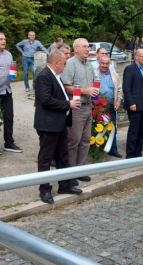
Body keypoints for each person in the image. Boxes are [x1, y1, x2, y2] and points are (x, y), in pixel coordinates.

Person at [34, 50, 83, 203]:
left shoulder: (56, 76)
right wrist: (68, 104)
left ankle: (65, 184)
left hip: (60, 122)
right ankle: (44, 189)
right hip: (48, 125)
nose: (65, 66)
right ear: (56, 63)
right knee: (46, 158)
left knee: (63, 155)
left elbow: (57, 96)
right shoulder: (43, 76)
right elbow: (46, 100)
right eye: (64, 63)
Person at [62, 38, 98, 182]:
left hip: (88, 106)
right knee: (74, 140)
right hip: (76, 107)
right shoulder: (70, 64)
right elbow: (66, 86)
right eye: (84, 47)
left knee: (85, 139)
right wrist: (85, 90)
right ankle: (70, 173)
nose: (87, 49)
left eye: (88, 46)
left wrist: (92, 94)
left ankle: (80, 169)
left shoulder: (89, 65)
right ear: (76, 49)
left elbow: (92, 85)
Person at [123, 49, 143, 158]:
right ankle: (130, 154)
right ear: (136, 57)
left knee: (142, 130)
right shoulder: (130, 69)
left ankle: (138, 152)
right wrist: (131, 102)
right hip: (135, 105)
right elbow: (126, 88)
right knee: (134, 130)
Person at [94, 55, 123, 158]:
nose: (105, 66)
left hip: (111, 105)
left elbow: (120, 90)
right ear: (99, 63)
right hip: (98, 106)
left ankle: (113, 149)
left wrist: (119, 101)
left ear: (109, 64)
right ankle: (96, 150)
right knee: (97, 127)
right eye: (103, 63)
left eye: (107, 63)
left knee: (112, 128)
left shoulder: (114, 75)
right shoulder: (94, 75)